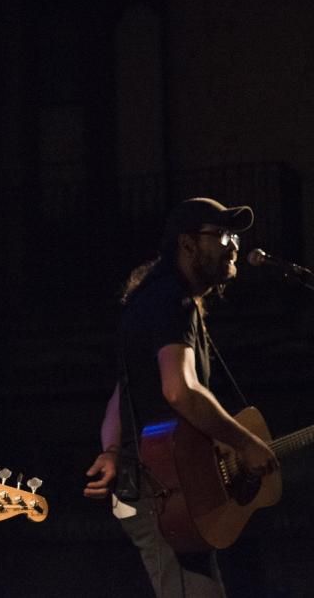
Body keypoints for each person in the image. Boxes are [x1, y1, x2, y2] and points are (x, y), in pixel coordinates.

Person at [84, 197, 278, 597]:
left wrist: (109, 449)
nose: (234, 244)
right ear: (188, 245)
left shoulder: (149, 301)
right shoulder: (175, 302)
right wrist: (244, 441)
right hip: (163, 490)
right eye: (221, 234)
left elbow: (125, 390)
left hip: (167, 485)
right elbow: (179, 389)